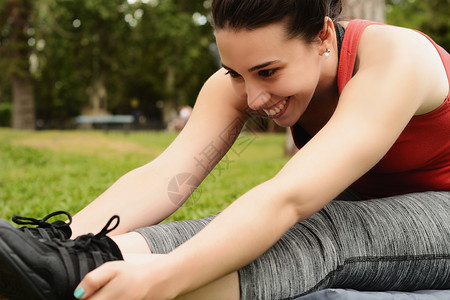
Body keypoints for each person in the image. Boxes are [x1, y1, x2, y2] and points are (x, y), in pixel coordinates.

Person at [0, 0, 449, 299]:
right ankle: (75, 265)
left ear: (324, 37)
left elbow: (290, 197)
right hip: (380, 202)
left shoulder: (395, 58)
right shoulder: (240, 82)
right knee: (229, 227)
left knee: (324, 229)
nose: (253, 98)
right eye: (234, 72)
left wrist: (168, 277)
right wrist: (65, 238)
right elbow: (168, 176)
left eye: (268, 72)